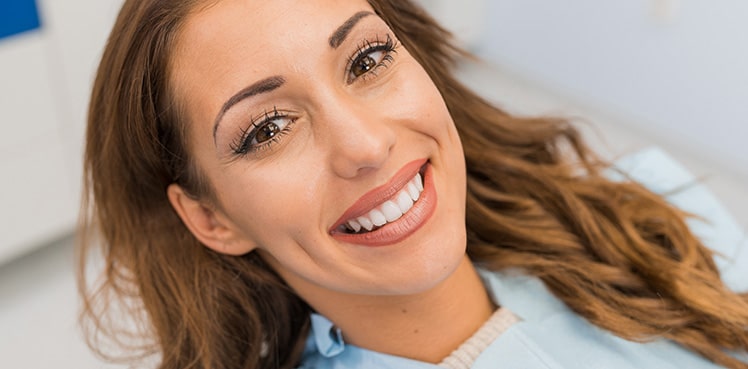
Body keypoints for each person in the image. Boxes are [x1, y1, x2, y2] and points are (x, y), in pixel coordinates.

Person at [78, 0, 748, 368]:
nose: (366, 146)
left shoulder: (650, 210)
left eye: (367, 59)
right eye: (269, 128)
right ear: (211, 218)